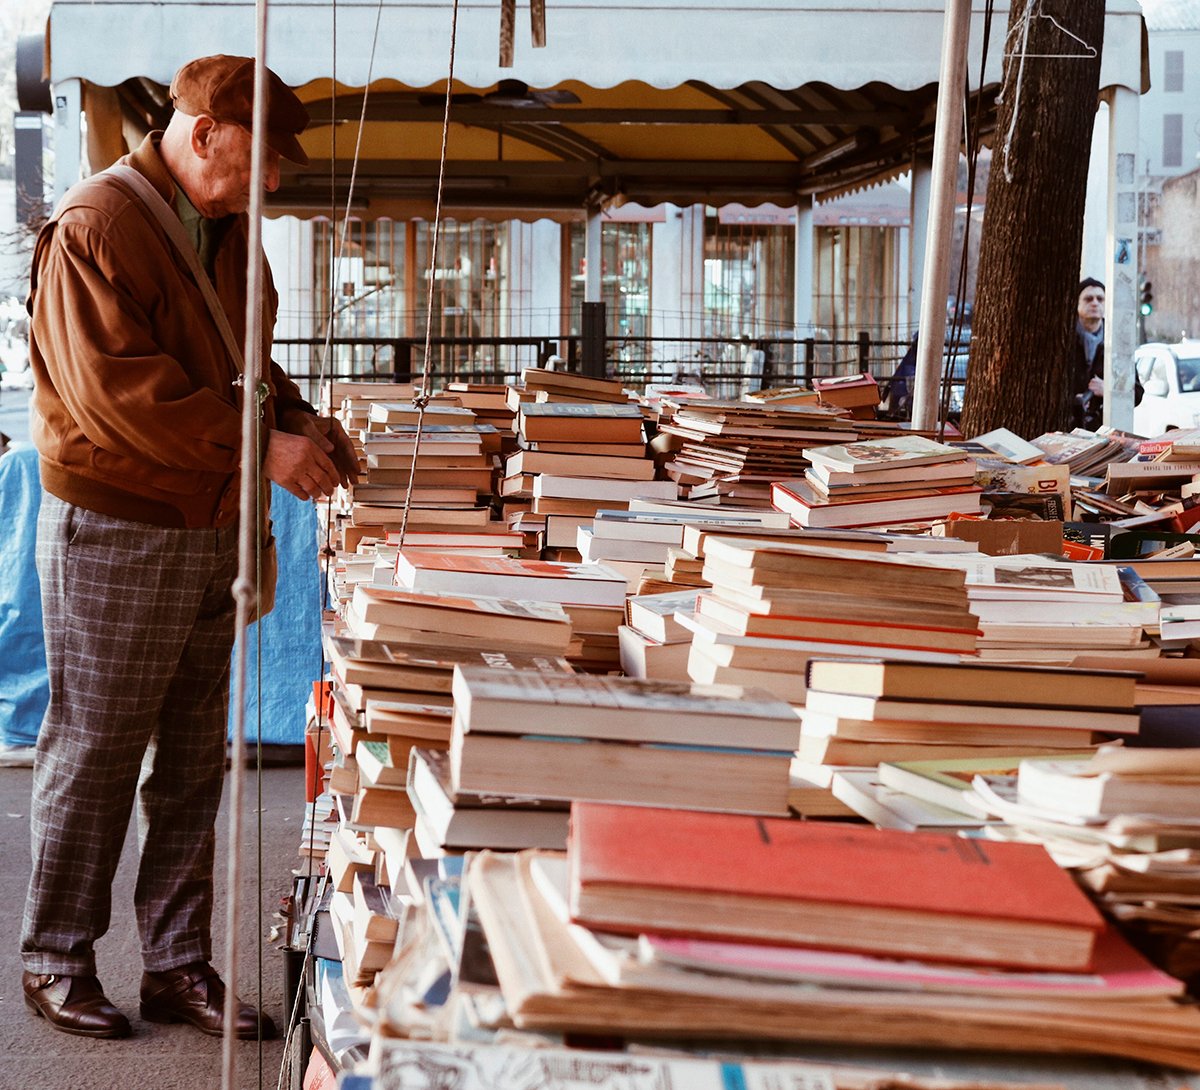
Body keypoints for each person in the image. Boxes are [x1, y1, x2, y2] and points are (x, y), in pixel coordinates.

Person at [20, 54, 358, 1040]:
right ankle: (56, 958)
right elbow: (121, 397)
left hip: (211, 518)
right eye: (266, 156)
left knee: (193, 761)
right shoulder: (96, 224)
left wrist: (298, 417)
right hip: (119, 526)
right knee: (95, 749)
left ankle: (175, 963)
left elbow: (243, 363)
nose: (277, 179)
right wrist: (265, 446)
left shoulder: (231, 229)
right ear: (204, 133)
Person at [1073, 277, 1106, 430]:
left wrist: (1108, 392)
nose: (1095, 303)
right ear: (1077, 303)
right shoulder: (1064, 338)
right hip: (1066, 427)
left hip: (1101, 429)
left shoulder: (1117, 341)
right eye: (1088, 299)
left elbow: (1136, 392)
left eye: (1100, 299)